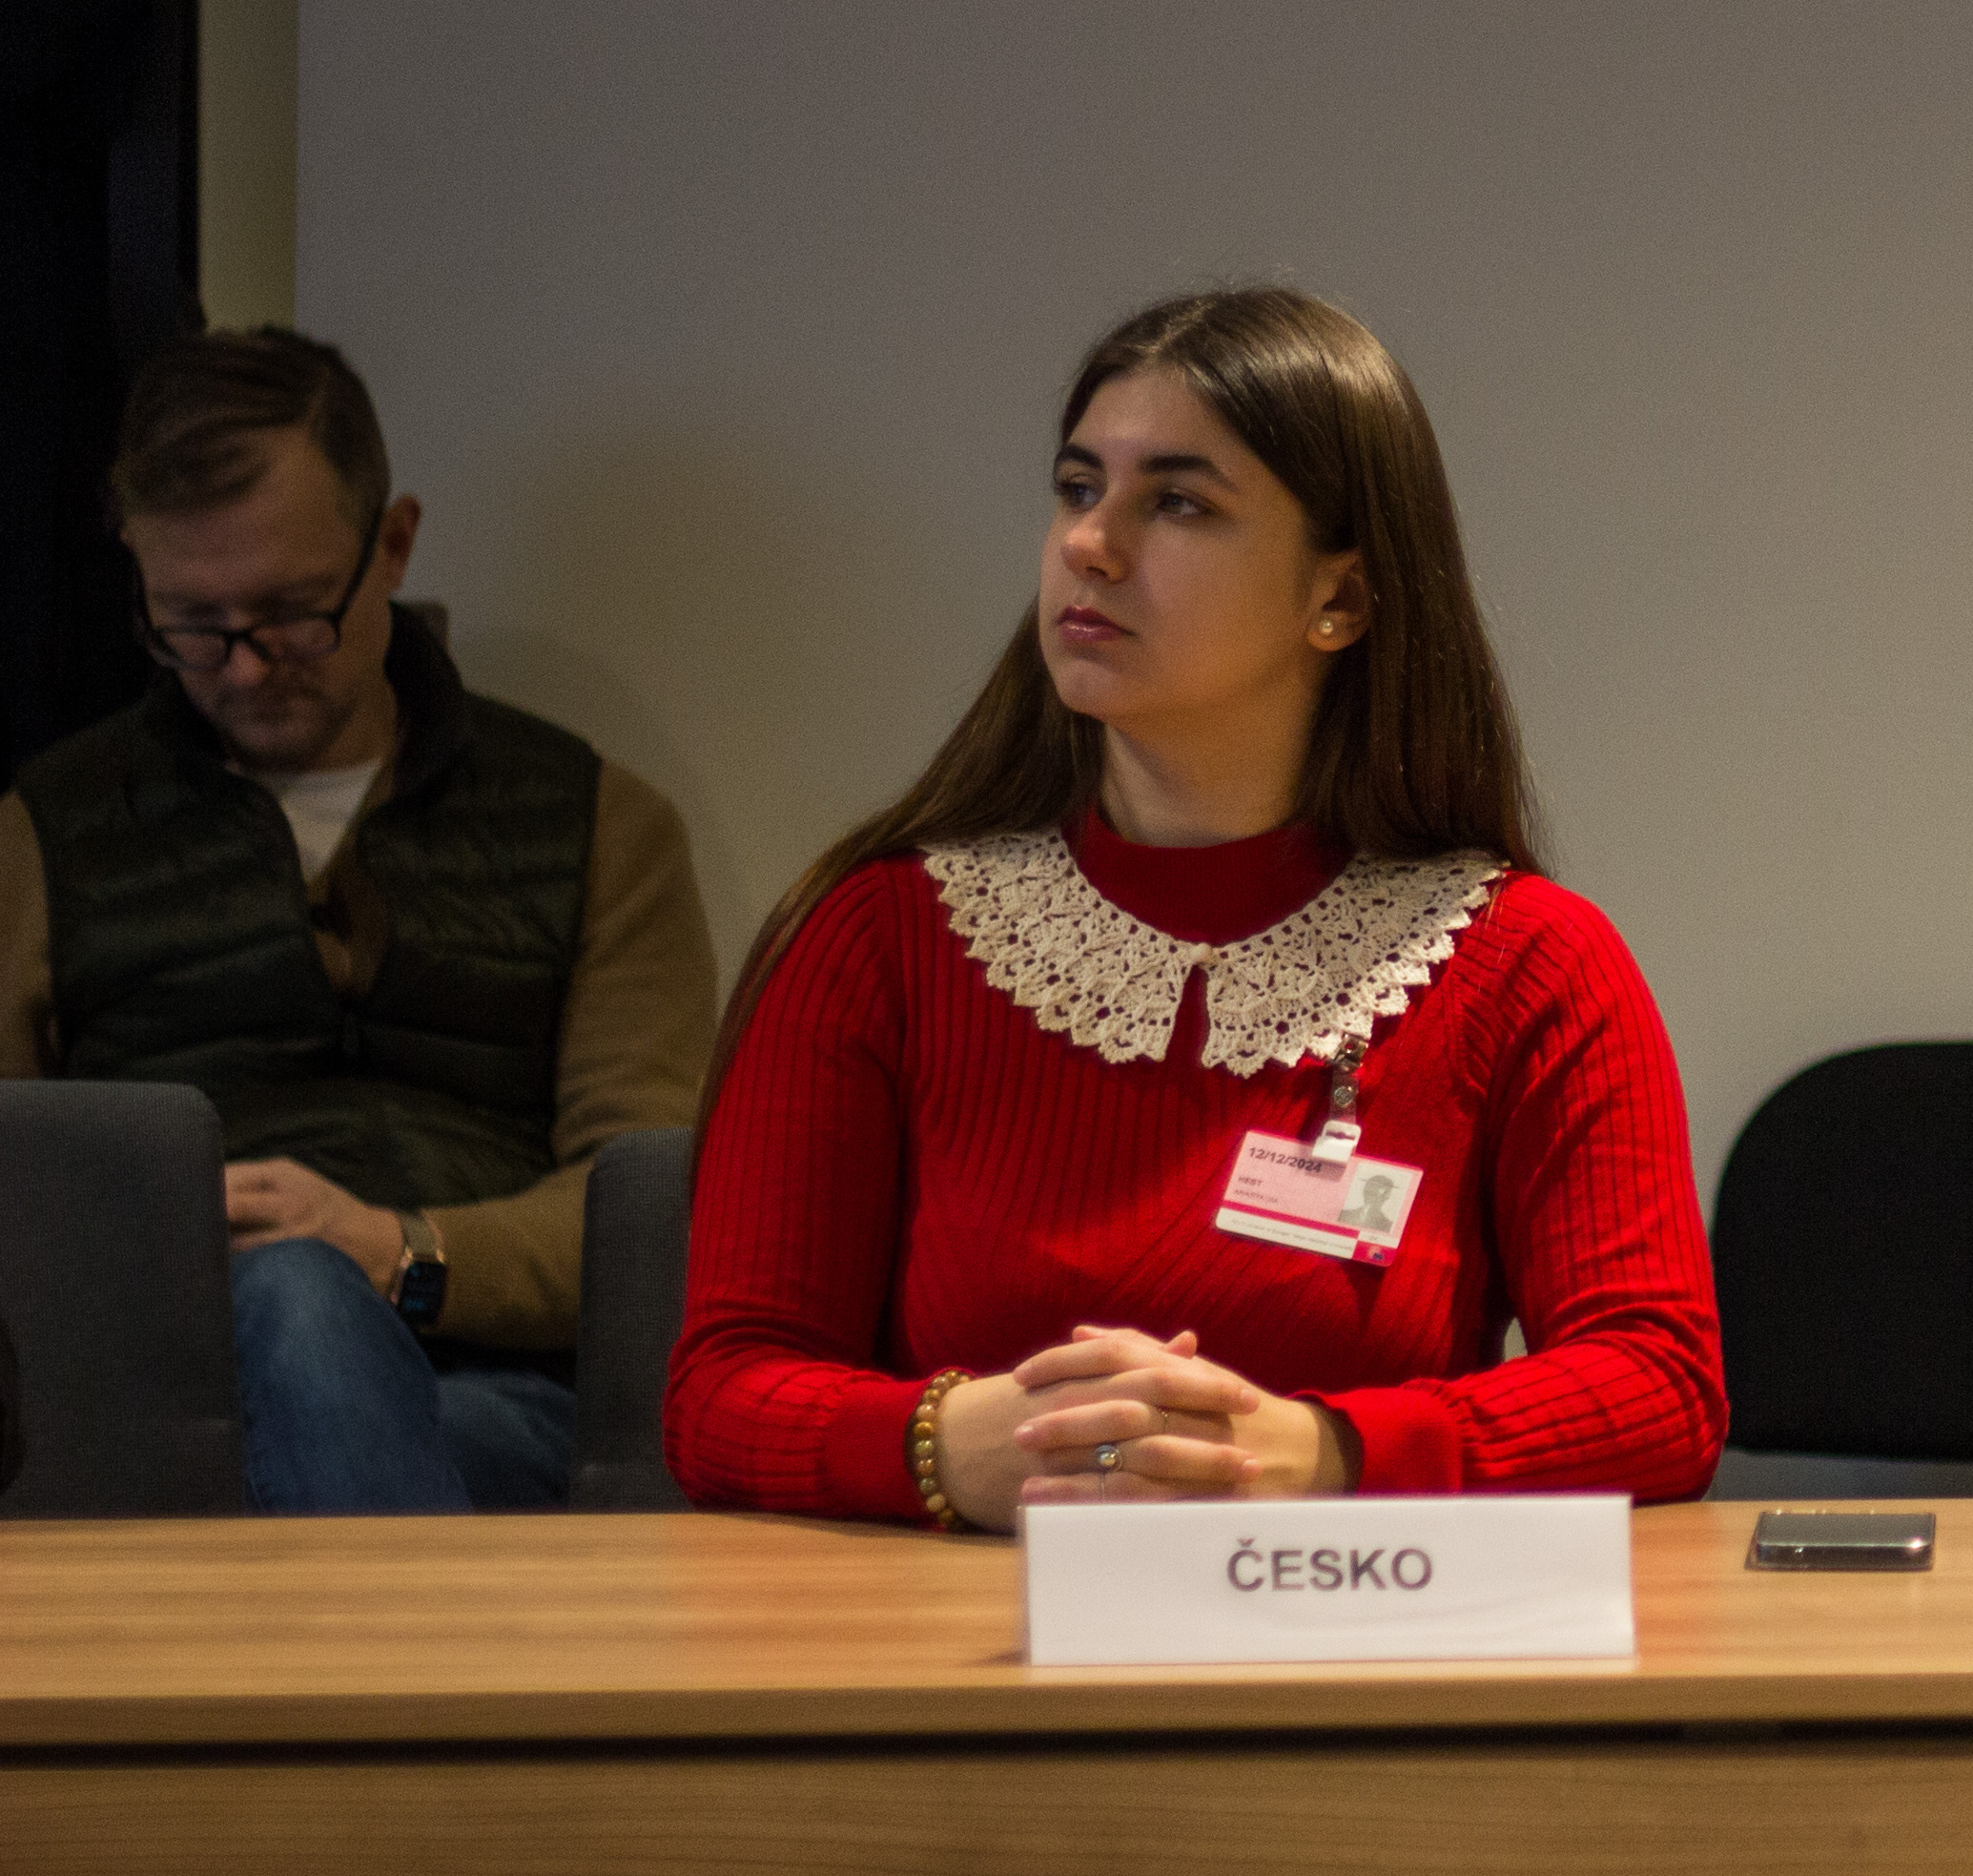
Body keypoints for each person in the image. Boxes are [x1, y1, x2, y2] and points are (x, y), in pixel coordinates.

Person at [666, 288, 1721, 1526]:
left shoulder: (1529, 961)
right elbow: (720, 1390)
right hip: (960, 1629)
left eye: (1177, 503)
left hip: (1341, 1624)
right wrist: (947, 1444)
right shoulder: (879, 936)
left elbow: (1660, 1387)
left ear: (1341, 600)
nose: (1090, 544)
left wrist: (1319, 1452)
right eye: (1077, 488)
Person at [1, 328, 716, 1511]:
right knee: (290, 1305)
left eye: (291, 614)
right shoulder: (45, 831)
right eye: (191, 623)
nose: (243, 669)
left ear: (392, 544)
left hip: (498, 1387)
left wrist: (396, 1249)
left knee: (311, 1306)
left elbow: (647, 1213)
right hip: (161, 1399)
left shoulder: (596, 823)